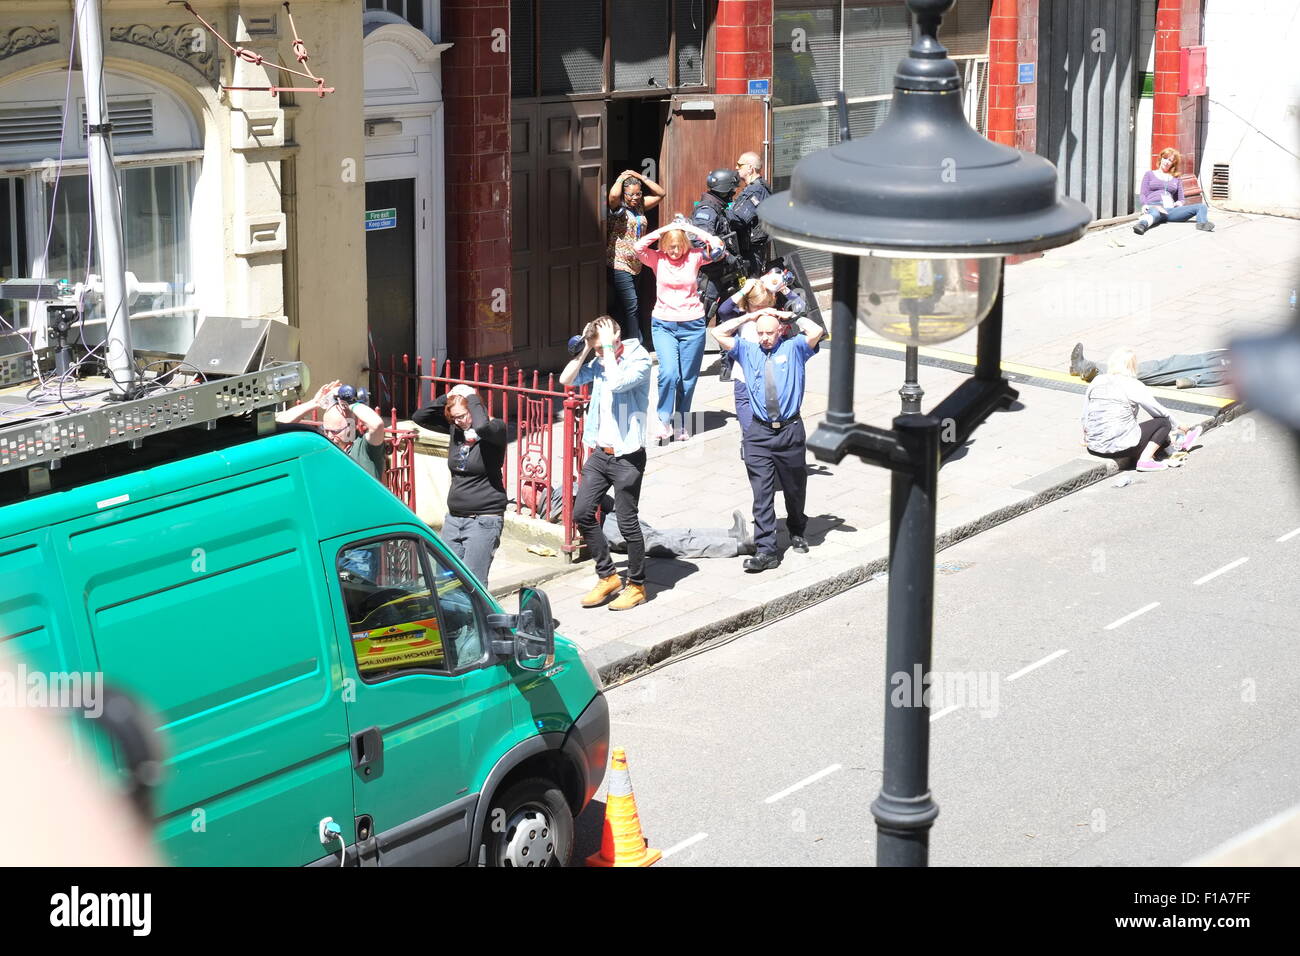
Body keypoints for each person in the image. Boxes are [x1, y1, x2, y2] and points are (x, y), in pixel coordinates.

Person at [712, 307, 825, 572]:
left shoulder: (795, 348)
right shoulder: (746, 349)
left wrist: (791, 317)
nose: (764, 338)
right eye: (760, 333)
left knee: (794, 487)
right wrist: (749, 317)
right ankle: (767, 551)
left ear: (780, 331)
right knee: (761, 494)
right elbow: (718, 332)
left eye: (769, 333)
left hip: (789, 430)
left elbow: (817, 331)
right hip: (759, 433)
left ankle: (797, 528)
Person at [560, 316, 654, 611]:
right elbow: (567, 380)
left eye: (602, 347)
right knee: (582, 512)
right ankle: (608, 576)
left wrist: (608, 349)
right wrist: (587, 350)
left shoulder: (639, 357)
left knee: (627, 523)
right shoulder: (599, 358)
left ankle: (637, 585)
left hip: (627, 455)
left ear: (616, 336)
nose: (600, 353)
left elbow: (617, 383)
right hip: (601, 454)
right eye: (596, 349)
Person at [633, 218, 727, 442]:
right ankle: (663, 419)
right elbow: (638, 247)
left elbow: (719, 248)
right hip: (664, 324)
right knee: (668, 373)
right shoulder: (657, 259)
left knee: (688, 378)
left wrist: (688, 228)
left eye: (678, 246)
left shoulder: (695, 256)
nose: (674, 251)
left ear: (685, 244)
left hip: (693, 324)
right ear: (664, 246)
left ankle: (681, 421)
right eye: (670, 246)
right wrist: (666, 229)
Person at [411, 385, 507, 587]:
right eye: (455, 418)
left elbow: (481, 427)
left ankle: (479, 618)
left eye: (463, 415)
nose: (460, 421)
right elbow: (420, 417)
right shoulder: (456, 431)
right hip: (454, 519)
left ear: (474, 409)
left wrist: (471, 395)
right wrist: (449, 395)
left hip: (483, 520)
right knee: (445, 581)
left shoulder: (496, 429)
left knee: (473, 584)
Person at [716, 269, 807, 438]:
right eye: (756, 306)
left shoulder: (778, 316)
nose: (761, 310)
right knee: (745, 410)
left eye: (766, 305)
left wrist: (783, 289)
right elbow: (723, 311)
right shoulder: (742, 318)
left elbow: (801, 308)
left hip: (774, 375)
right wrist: (744, 290)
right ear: (748, 304)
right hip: (744, 375)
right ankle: (750, 442)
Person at [1081, 348, 1204, 472]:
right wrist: (1180, 426)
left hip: (1093, 447)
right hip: (1119, 448)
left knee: (1146, 432)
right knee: (1163, 423)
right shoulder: (1132, 384)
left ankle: (1174, 446)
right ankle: (1146, 459)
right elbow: (1158, 411)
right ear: (1133, 366)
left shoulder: (1097, 381)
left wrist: (1087, 436)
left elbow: (1085, 414)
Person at [277, 379, 386, 480]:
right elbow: (279, 424)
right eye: (326, 430)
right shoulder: (321, 445)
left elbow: (377, 425)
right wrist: (315, 403)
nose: (329, 436)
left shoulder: (363, 449)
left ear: (350, 427)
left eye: (335, 431)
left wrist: (351, 403)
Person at [606, 169, 665, 342]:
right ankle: (636, 343)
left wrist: (640, 177)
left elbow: (661, 193)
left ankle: (618, 339)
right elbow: (613, 195)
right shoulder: (617, 208)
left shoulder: (640, 206)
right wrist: (621, 177)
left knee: (622, 305)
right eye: (630, 195)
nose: (634, 198)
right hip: (618, 262)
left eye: (638, 194)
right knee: (632, 305)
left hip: (636, 264)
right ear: (624, 194)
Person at [691, 168, 744, 323]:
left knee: (728, 312)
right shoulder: (707, 210)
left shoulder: (718, 208)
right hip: (710, 273)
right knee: (702, 314)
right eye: (732, 190)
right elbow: (700, 241)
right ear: (724, 190)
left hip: (722, 272)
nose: (733, 193)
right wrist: (727, 257)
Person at [1069, 342, 1232, 389]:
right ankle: (1091, 370)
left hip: (1197, 368)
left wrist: (1196, 380)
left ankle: (1092, 370)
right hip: (1203, 360)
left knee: (1153, 370)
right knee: (1157, 367)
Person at [1133, 148, 1214, 235]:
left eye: (1170, 160)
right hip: (1154, 206)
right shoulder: (1149, 174)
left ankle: (1202, 224)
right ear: (1160, 158)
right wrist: (1145, 205)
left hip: (1170, 210)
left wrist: (1179, 203)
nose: (1166, 162)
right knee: (1155, 213)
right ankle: (1141, 225)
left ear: (1173, 163)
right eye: (1165, 158)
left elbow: (1181, 198)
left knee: (1201, 207)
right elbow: (1143, 194)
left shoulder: (1176, 178)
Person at [729, 151, 773, 278]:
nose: (736, 167)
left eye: (739, 164)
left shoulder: (756, 190)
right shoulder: (757, 187)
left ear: (750, 168)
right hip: (751, 248)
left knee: (750, 287)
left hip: (751, 252)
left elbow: (737, 218)